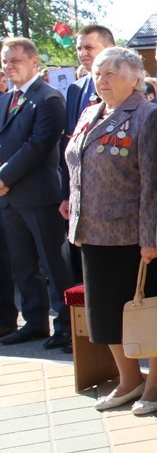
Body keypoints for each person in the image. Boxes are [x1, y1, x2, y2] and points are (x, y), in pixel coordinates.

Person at [63, 47, 157, 415]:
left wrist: (150, 238)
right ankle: (129, 379)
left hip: (132, 234)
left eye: (111, 72)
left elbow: (151, 184)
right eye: (97, 72)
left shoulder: (147, 115)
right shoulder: (90, 113)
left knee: (146, 309)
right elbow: (78, 164)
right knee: (105, 312)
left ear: (135, 77)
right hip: (91, 230)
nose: (101, 80)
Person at [0, 38, 75, 350]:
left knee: (52, 264)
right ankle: (34, 322)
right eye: (5, 61)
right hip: (10, 198)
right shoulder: (6, 100)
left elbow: (40, 144)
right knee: (22, 264)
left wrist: (3, 177)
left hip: (39, 195)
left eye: (15, 60)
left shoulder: (48, 98)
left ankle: (67, 325)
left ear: (33, 61)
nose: (9, 66)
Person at [67, 25, 114, 134]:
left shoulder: (125, 85)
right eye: (79, 49)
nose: (82, 54)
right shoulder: (74, 88)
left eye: (88, 48)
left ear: (110, 49)